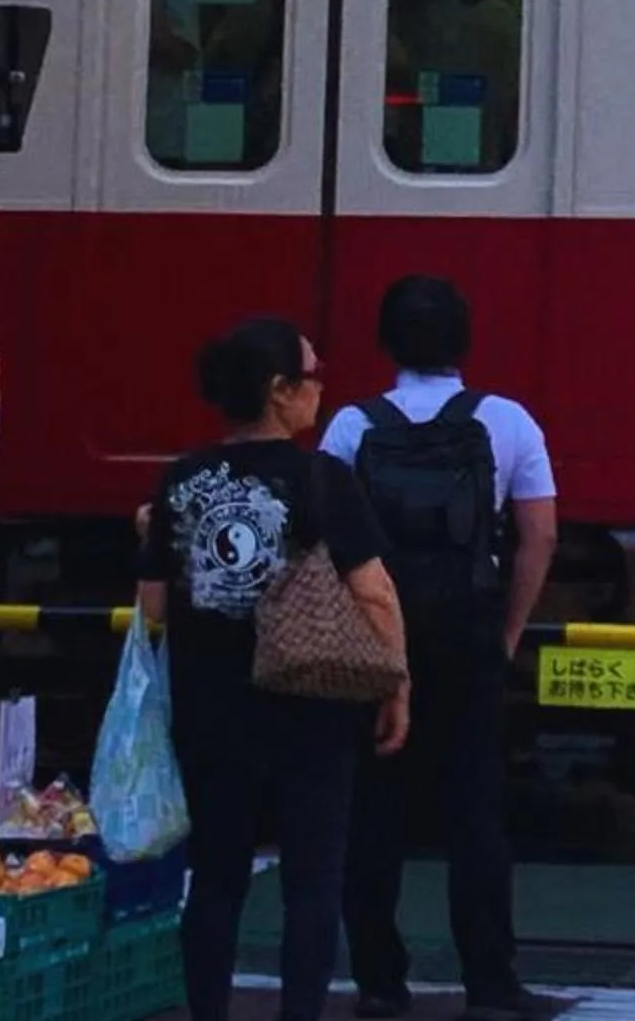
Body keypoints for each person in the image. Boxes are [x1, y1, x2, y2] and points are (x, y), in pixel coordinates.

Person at [139, 318, 409, 1021]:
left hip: (209, 708)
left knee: (217, 879)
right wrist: (395, 681)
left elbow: (155, 607)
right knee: (312, 884)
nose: (321, 390)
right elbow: (374, 590)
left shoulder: (181, 478)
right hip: (313, 706)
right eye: (313, 376)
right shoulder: (323, 478)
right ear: (279, 390)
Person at [322, 277, 560, 1021]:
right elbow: (538, 536)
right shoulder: (508, 421)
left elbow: (328, 544)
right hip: (469, 636)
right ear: (465, 341)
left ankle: (380, 982)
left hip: (375, 642)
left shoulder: (350, 427)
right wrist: (507, 632)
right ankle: (491, 984)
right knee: (476, 814)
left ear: (387, 343)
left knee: (373, 814)